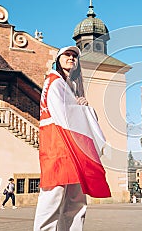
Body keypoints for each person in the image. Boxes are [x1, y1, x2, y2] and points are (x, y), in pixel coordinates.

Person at [33, 46, 111, 231]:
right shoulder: (53, 81)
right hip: (58, 143)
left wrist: (83, 107)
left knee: (77, 198)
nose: (71, 58)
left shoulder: (70, 86)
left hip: (72, 145)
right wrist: (81, 110)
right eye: (67, 55)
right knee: (53, 194)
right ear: (58, 60)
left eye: (74, 56)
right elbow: (60, 114)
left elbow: (71, 113)